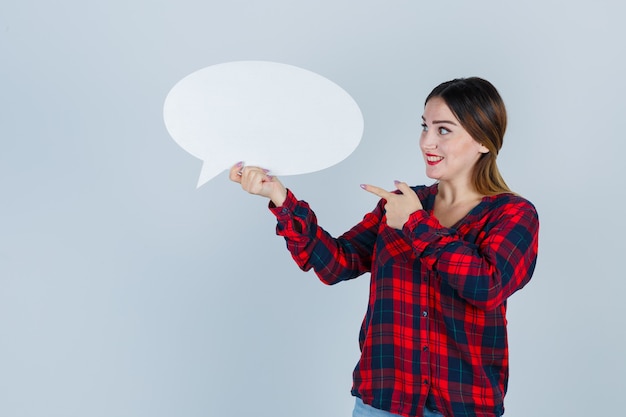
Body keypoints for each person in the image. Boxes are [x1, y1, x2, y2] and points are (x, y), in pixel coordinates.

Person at [229, 77, 539, 417]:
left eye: (443, 130)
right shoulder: (400, 204)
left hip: (463, 407)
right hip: (382, 404)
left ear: (482, 140)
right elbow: (336, 264)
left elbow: (486, 286)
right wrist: (279, 197)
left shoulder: (513, 215)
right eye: (425, 127)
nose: (427, 142)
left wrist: (414, 223)